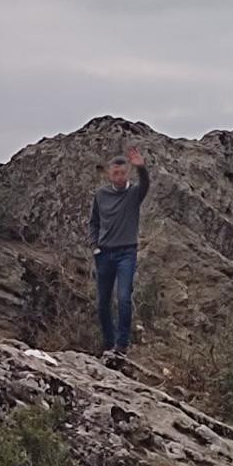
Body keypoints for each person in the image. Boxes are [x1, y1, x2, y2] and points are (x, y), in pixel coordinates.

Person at [88, 147, 149, 356]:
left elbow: (146, 185)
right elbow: (93, 222)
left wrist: (142, 168)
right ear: (109, 174)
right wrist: (94, 246)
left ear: (128, 173)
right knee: (103, 302)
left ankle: (122, 345)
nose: (120, 177)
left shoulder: (134, 194)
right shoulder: (101, 194)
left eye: (123, 173)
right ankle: (108, 343)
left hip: (126, 253)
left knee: (123, 298)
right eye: (115, 173)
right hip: (104, 254)